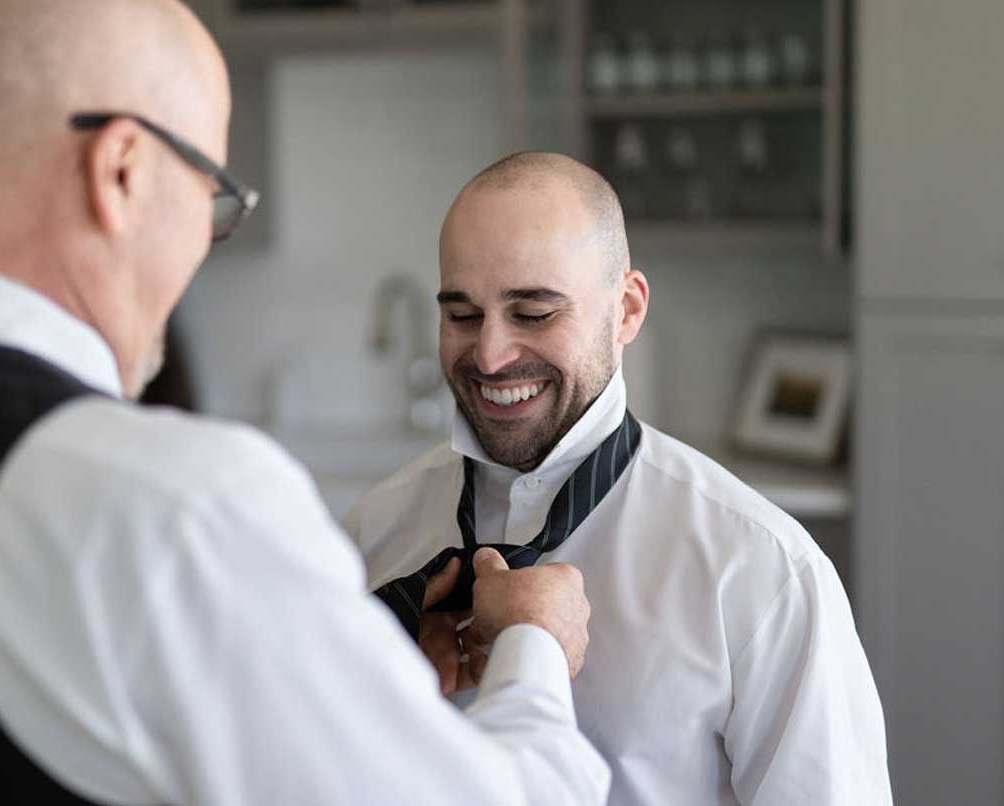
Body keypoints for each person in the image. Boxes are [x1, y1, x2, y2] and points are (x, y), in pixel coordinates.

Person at [0, 3, 611, 804]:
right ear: (120, 171)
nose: (203, 242)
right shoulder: (164, 498)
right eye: (210, 197)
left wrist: (326, 654)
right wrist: (533, 647)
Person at [344, 152, 893, 806]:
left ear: (626, 310)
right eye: (462, 316)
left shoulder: (760, 571)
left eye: (533, 313)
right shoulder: (369, 540)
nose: (489, 354)